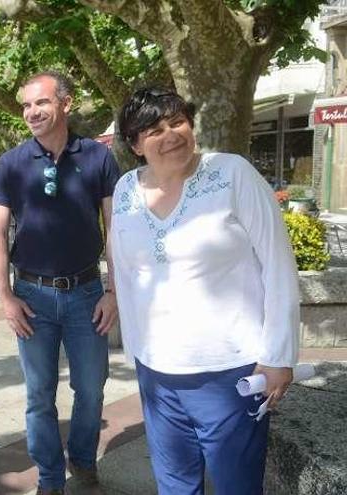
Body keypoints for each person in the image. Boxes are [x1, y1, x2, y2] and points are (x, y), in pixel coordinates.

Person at [111, 87, 299, 494]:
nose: (170, 135)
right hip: (158, 372)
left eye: (177, 122)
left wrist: (279, 355)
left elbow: (279, 265)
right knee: (174, 484)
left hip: (230, 371)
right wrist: (136, 350)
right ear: (135, 144)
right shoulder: (126, 189)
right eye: (154, 130)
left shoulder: (232, 174)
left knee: (237, 485)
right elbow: (126, 271)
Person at [0, 70, 121, 495]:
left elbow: (114, 227)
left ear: (65, 103)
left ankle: (83, 459)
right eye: (26, 105)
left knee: (91, 387)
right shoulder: (10, 164)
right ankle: (48, 477)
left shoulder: (98, 157)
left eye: (40, 103)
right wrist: (6, 297)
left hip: (87, 294)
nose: (31, 112)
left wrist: (114, 292)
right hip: (32, 297)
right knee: (39, 393)